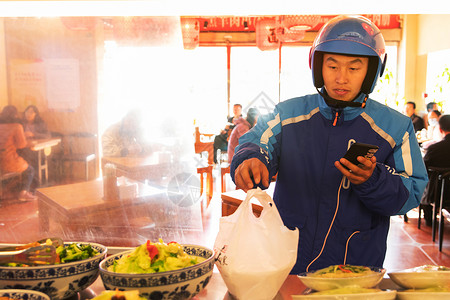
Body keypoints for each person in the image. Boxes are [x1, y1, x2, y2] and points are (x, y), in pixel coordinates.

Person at [230, 15, 428, 274]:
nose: (341, 78)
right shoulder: (287, 113)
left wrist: (373, 179)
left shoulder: (396, 127)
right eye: (332, 66)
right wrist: (251, 157)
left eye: (354, 68)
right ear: (317, 66)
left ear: (372, 72)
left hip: (355, 266)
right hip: (287, 261)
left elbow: (412, 191)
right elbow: (257, 141)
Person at [0, 105, 37, 201]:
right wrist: (24, 137)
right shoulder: (17, 126)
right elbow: (21, 145)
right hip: (9, 160)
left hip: (1, 160)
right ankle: (23, 193)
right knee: (30, 170)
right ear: (15, 115)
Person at [420, 114, 450, 226]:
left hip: (436, 193)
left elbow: (422, 169)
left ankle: (428, 219)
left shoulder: (434, 149)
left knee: (424, 183)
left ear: (440, 129)